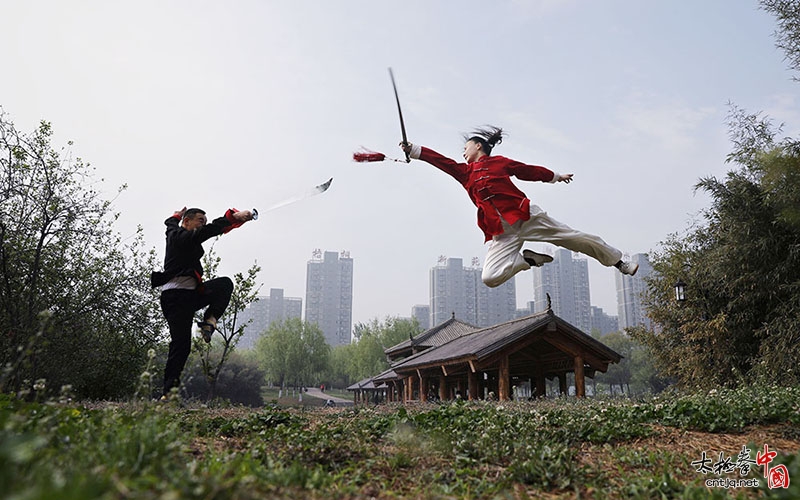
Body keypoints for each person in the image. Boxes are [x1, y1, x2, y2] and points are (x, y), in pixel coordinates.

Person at [400, 126, 638, 288]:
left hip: (526, 216)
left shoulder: (499, 163)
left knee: (574, 237)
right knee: (489, 277)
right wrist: (414, 150)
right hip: (502, 232)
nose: (463, 151)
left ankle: (619, 263)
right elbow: (442, 162)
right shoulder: (464, 173)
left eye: (467, 146)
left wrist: (555, 176)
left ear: (479, 147)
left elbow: (528, 171)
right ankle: (528, 260)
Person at [151, 206, 254, 398]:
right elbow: (208, 231)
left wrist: (175, 215)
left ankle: (209, 322)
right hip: (176, 299)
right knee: (181, 346)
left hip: (189, 295)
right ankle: (168, 395)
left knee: (224, 284)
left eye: (204, 222)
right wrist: (232, 217)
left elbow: (169, 223)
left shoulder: (175, 230)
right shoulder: (180, 238)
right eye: (200, 220)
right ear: (187, 222)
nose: (202, 225)